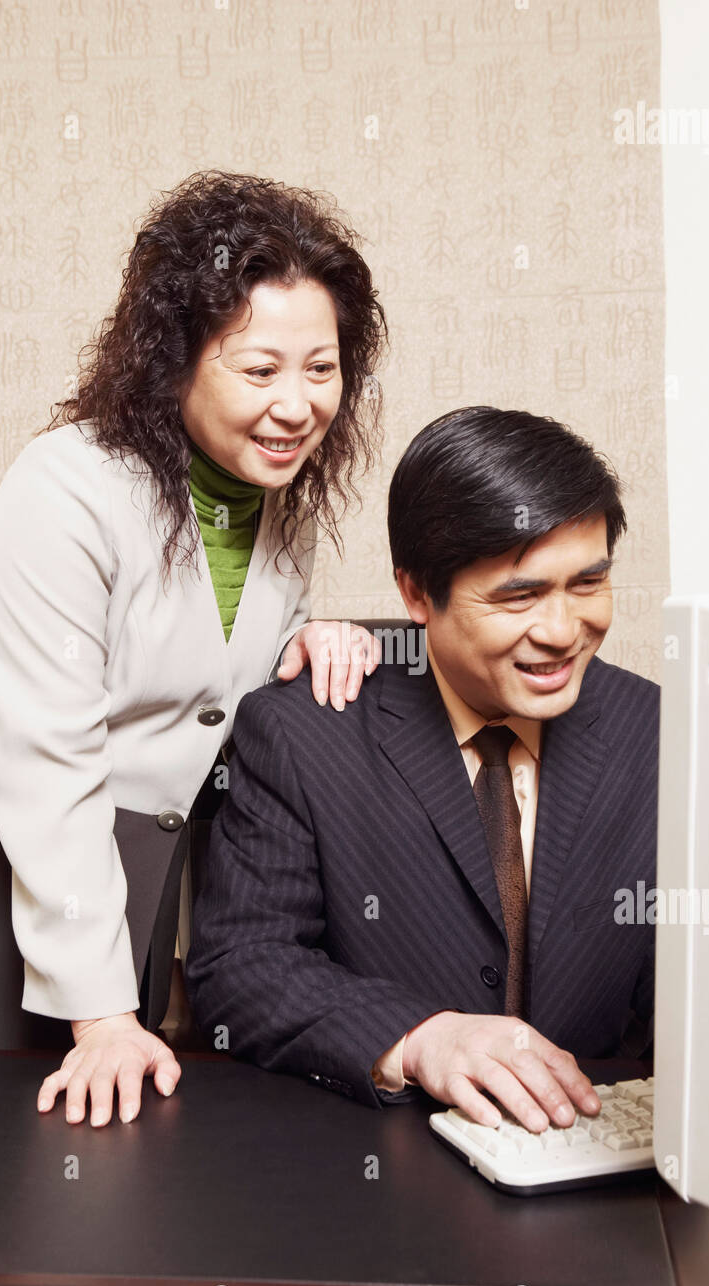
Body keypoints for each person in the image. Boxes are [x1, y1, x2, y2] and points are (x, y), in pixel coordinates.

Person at [0, 170, 387, 1126]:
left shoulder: (274, 503)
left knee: (107, 1175)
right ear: (171, 359)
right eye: (259, 369)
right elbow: (48, 762)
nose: (300, 404)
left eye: (323, 368)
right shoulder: (62, 491)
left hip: (138, 872)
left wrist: (316, 635)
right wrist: (101, 1013)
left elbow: (219, 675)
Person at [185, 405, 659, 1130]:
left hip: (595, 1159)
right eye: (519, 595)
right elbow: (241, 968)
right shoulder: (304, 734)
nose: (563, 631)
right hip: (378, 1168)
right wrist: (422, 1037)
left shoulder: (654, 729)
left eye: (587, 584)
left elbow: (700, 975)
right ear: (416, 593)